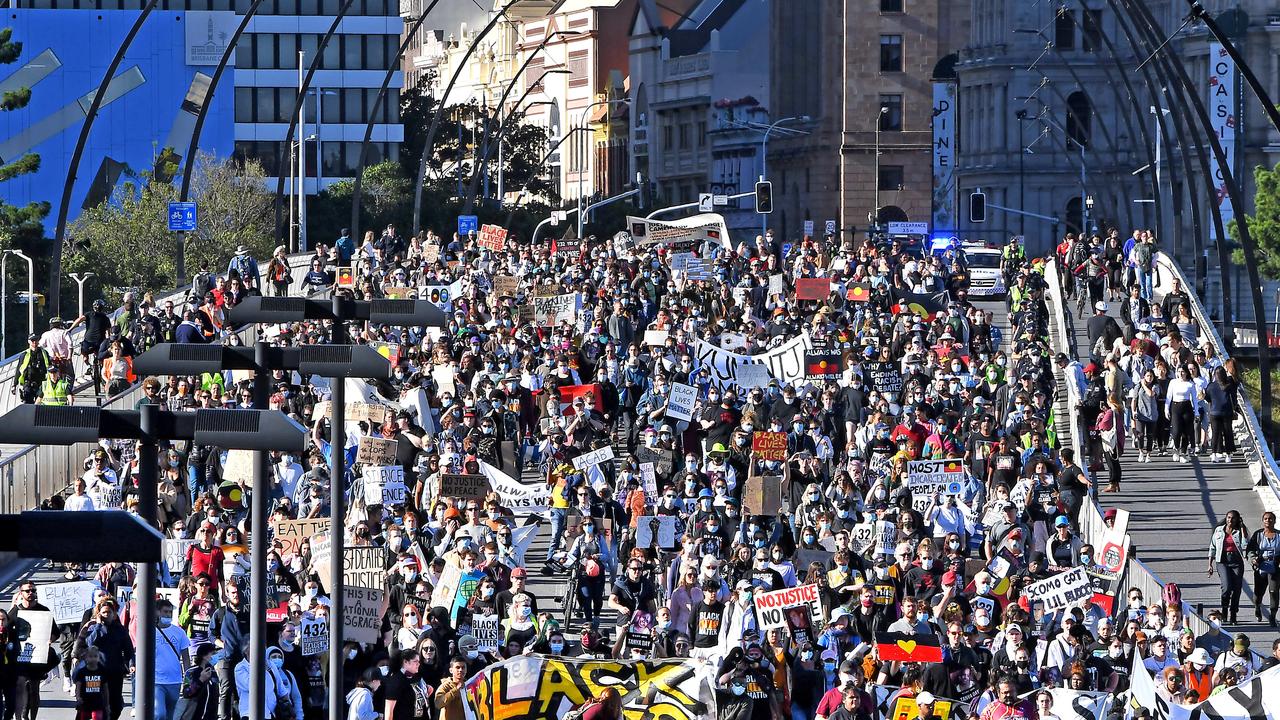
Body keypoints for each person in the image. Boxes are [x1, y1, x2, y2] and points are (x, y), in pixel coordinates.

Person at [1208, 510, 1248, 624]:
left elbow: (1245, 545)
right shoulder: (1219, 530)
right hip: (1222, 561)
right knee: (1226, 587)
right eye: (1229, 517)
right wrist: (1210, 564)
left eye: (1233, 518)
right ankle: (1224, 608)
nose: (1230, 520)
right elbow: (1213, 547)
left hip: (1236, 561)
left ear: (1237, 520)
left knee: (1237, 588)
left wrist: (1243, 530)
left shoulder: (1239, 531)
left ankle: (1233, 613)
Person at [1247, 511, 1280, 626]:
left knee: (1274, 591)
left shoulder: (1279, 535)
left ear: (1274, 521)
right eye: (1265, 519)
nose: (1268, 521)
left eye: (1270, 519)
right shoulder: (1258, 535)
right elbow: (1250, 549)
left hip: (1275, 566)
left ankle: (1272, 615)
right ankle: (1257, 607)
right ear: (1263, 521)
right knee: (1258, 593)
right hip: (1261, 566)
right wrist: (1253, 559)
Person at [174, 644, 220, 720]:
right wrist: (200, 680)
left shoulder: (213, 672)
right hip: (194, 715)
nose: (216, 656)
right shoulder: (191, 672)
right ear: (204, 656)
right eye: (213, 654)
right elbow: (186, 692)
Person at [73, 646, 111, 720]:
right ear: (86, 658)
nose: (93, 658)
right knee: (83, 717)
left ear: (99, 658)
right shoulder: (82, 672)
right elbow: (78, 686)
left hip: (98, 701)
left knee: (97, 717)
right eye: (90, 656)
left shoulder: (102, 671)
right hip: (85, 702)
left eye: (95, 656)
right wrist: (78, 697)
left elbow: (105, 688)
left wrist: (107, 704)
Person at [12, 334, 50, 404]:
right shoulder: (25, 355)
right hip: (28, 382)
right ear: (29, 341)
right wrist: (14, 384)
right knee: (28, 403)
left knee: (41, 404)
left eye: (36, 340)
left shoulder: (44, 353)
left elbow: (50, 367)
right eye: (33, 341)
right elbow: (19, 370)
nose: (35, 342)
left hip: (41, 383)